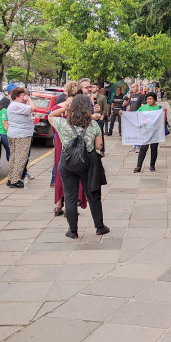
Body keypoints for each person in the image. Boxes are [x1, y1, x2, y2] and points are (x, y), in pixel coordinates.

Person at [48, 95, 109, 239]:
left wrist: (64, 108)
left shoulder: (62, 124)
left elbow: (50, 115)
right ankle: (100, 227)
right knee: (93, 195)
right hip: (87, 164)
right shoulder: (93, 125)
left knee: (69, 197)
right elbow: (98, 146)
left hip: (67, 164)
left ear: (72, 108)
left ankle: (73, 231)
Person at [52, 82, 87, 216]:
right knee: (75, 173)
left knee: (60, 172)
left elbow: (53, 126)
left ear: (66, 92)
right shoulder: (80, 108)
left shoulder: (57, 107)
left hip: (61, 143)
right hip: (76, 143)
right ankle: (71, 206)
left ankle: (58, 205)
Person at [5, 87, 35, 188]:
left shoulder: (14, 105)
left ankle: (10, 178)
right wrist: (29, 99)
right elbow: (33, 108)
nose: (24, 97)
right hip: (21, 134)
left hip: (14, 133)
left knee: (13, 157)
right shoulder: (17, 105)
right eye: (23, 95)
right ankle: (15, 180)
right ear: (17, 96)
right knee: (21, 157)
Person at [133, 92, 167, 172]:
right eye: (148, 99)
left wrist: (165, 113)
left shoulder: (159, 108)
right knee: (143, 148)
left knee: (154, 149)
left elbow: (164, 120)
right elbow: (135, 116)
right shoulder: (143, 108)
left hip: (155, 132)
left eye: (151, 98)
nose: (149, 100)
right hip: (145, 132)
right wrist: (123, 114)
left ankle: (152, 165)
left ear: (154, 99)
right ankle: (138, 166)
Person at [0, 97, 11, 162]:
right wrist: (9, 132)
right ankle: (11, 163)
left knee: (8, 149)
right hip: (4, 133)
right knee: (9, 149)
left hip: (1, 132)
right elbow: (5, 122)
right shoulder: (4, 110)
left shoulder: (1, 110)